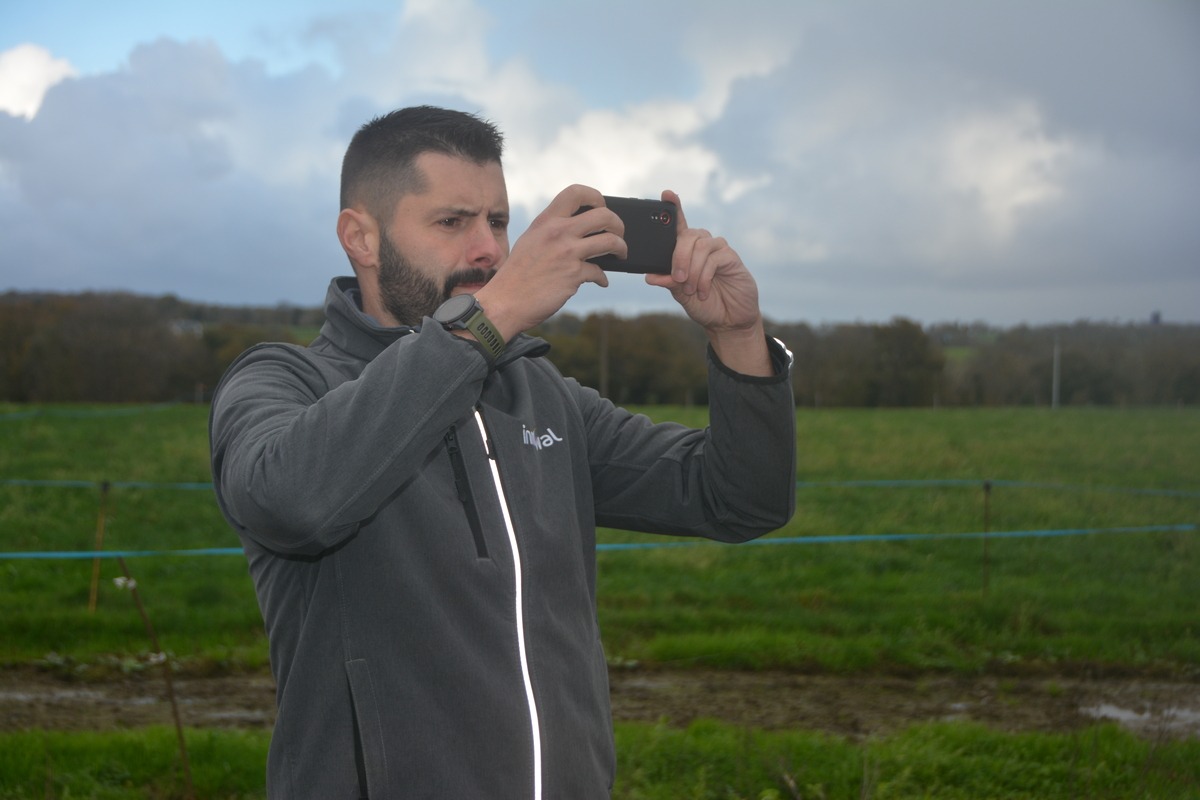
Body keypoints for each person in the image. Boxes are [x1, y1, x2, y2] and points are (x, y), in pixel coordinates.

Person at [209, 105, 795, 799]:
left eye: (498, 221)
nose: (488, 249)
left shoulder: (540, 396)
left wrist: (740, 340)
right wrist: (491, 321)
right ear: (359, 237)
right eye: (453, 222)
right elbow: (293, 503)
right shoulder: (283, 382)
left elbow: (737, 498)